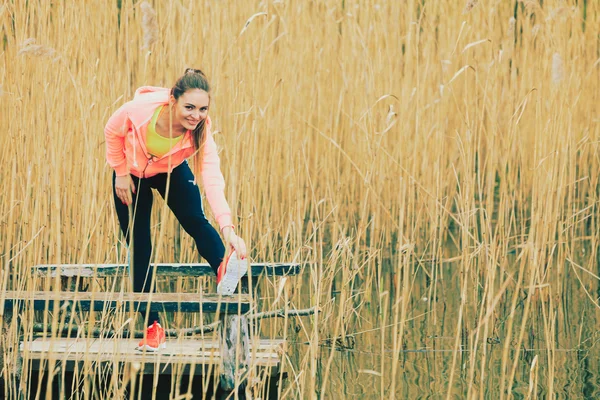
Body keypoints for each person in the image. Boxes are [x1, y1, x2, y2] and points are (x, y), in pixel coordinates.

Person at [104, 68, 248, 351]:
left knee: (196, 220)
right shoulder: (141, 109)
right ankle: (153, 327)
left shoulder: (201, 131)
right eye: (189, 107)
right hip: (130, 174)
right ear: (172, 100)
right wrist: (120, 172)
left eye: (203, 109)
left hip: (169, 170)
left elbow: (212, 178)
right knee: (139, 247)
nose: (196, 115)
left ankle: (224, 268)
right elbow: (112, 130)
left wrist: (228, 228)